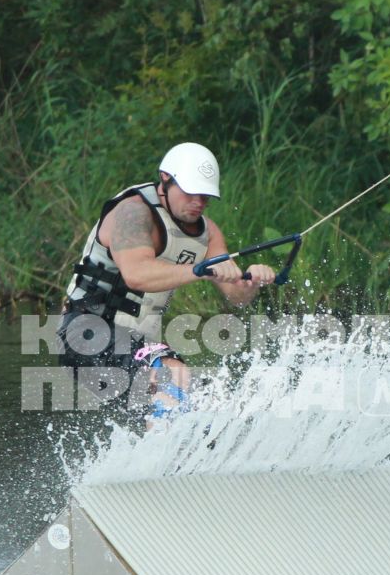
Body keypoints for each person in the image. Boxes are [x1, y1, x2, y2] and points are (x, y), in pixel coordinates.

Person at [57, 142, 276, 415]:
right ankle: (168, 449)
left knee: (206, 399)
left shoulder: (209, 234)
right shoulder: (132, 213)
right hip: (85, 332)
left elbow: (237, 296)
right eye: (190, 192)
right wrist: (202, 270)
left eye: (205, 196)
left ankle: (165, 453)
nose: (199, 202)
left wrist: (251, 280)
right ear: (166, 179)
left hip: (137, 343)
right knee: (172, 376)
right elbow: (136, 275)